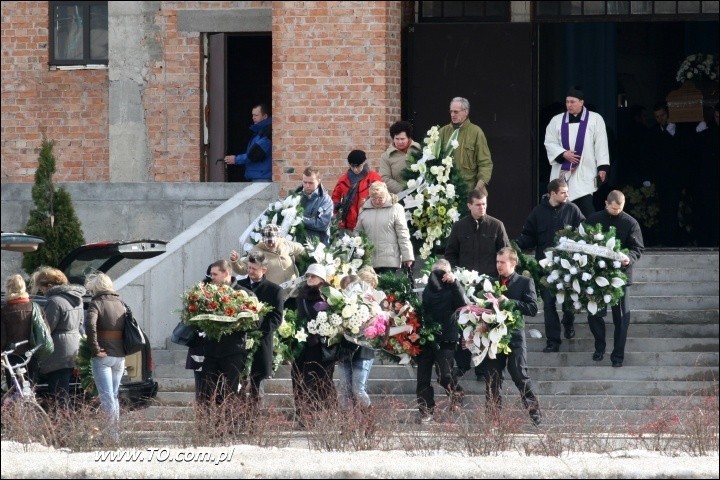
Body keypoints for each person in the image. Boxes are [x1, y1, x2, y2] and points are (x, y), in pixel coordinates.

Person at [445, 186, 509, 381]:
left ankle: (482, 368)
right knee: (463, 324)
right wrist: (456, 275)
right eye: (478, 205)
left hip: (487, 285)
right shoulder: (459, 227)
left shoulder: (496, 225)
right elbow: (450, 253)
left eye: (484, 204)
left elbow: (505, 252)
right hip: (463, 285)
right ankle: (463, 364)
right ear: (469, 206)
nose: (482, 208)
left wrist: (500, 277)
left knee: (484, 325)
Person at [515, 178, 585, 352]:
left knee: (569, 302)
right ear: (553, 193)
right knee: (549, 303)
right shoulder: (538, 212)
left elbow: (584, 232)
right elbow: (529, 235)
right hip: (546, 267)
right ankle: (553, 341)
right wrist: (514, 245)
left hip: (569, 267)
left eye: (567, 192)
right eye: (563, 192)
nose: (567, 195)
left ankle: (568, 324)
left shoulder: (573, 210)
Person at [585, 191, 644, 368]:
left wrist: (629, 258)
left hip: (621, 275)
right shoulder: (593, 219)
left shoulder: (630, 222)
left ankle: (618, 356)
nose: (617, 211)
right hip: (596, 274)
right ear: (606, 203)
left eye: (620, 208)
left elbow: (637, 248)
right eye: (613, 208)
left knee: (622, 317)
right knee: (594, 313)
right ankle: (600, 346)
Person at [484, 247, 542, 426]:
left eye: (502, 262)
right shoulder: (490, 282)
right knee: (492, 379)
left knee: (519, 375)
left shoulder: (525, 282)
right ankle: (493, 420)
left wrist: (510, 302)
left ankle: (534, 413)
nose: (498, 265)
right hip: (494, 338)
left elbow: (532, 308)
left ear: (513, 263)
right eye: (497, 262)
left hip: (514, 337)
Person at [544, 87, 610, 217]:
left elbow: (601, 144)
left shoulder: (595, 119)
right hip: (562, 171)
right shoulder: (556, 120)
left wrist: (602, 167)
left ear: (581, 102)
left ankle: (591, 236)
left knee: (586, 207)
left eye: (572, 102)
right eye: (567, 102)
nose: (569, 105)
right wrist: (563, 154)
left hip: (585, 170)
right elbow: (549, 142)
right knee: (560, 209)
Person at [416, 259, 467, 424]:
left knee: (445, 375)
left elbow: (462, 304)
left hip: (446, 338)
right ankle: (426, 411)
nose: (438, 276)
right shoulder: (428, 290)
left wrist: (454, 283)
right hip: (427, 338)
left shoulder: (453, 289)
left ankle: (456, 394)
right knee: (423, 378)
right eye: (435, 272)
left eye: (442, 272)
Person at [234, 252, 285, 408]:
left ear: (264, 270)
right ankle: (238, 420)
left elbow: (276, 318)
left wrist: (257, 332)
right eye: (249, 268)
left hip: (261, 343)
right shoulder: (238, 286)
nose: (250, 271)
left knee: (258, 387)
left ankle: (255, 423)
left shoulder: (275, 290)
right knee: (238, 386)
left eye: (254, 269)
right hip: (239, 343)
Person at [31, 267, 85, 409]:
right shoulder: (77, 299)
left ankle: (62, 427)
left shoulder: (54, 301)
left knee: (58, 393)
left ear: (48, 286)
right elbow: (80, 324)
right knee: (66, 391)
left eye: (41, 288)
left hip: (58, 352)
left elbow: (47, 329)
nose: (42, 291)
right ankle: (66, 425)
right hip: (75, 348)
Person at [289, 263, 337, 426]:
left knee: (323, 382)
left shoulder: (329, 296)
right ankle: (303, 416)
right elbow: (299, 318)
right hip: (305, 344)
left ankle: (329, 416)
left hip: (323, 346)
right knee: (299, 378)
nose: (309, 278)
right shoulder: (301, 296)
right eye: (308, 275)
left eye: (313, 276)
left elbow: (336, 319)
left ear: (322, 280)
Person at [186, 261, 236, 403]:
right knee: (203, 396)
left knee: (224, 396)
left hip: (226, 352)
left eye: (215, 274)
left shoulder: (237, 293)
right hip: (203, 351)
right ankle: (205, 425)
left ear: (225, 273)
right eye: (210, 275)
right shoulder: (200, 296)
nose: (212, 277)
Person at [84, 273, 126, 440]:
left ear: (96, 287)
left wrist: (94, 348)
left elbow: (89, 325)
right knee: (114, 396)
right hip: (120, 355)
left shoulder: (96, 303)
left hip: (103, 355)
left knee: (107, 396)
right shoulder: (120, 303)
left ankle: (112, 436)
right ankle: (115, 433)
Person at [336, 271, 381, 410]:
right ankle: (347, 426)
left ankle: (368, 421)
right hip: (344, 350)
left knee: (358, 389)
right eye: (346, 288)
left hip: (363, 351)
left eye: (353, 286)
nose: (350, 290)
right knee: (344, 390)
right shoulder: (338, 305)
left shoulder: (371, 304)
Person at [354, 181, 414, 275]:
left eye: (380, 198)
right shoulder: (364, 209)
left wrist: (408, 257)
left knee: (388, 289)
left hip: (389, 260)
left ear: (386, 195)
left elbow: (403, 234)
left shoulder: (396, 208)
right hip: (369, 261)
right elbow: (357, 233)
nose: (377, 201)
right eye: (374, 198)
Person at [647, 101, 684, 246]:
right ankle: (667, 240)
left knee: (674, 209)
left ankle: (674, 239)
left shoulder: (678, 130)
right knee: (664, 210)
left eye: (662, 115)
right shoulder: (654, 132)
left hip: (675, 178)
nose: (660, 119)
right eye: (657, 117)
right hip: (662, 179)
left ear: (668, 114)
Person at [438, 97, 493, 192]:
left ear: (466, 112)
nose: (452, 115)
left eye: (456, 112)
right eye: (451, 111)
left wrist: (478, 189)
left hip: (469, 190)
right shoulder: (443, 132)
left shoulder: (476, 132)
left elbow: (485, 164)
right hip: (446, 191)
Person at [1, 274, 47, 386]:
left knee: (14, 388)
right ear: (24, 288)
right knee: (30, 388)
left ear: (8, 289)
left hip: (12, 355)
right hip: (32, 354)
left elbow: (2, 338)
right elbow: (46, 331)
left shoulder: (4, 311)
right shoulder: (36, 307)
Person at [230, 223, 306, 287]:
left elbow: (304, 254)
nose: (269, 244)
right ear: (263, 239)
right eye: (267, 242)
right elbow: (244, 269)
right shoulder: (258, 250)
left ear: (278, 237)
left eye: (272, 241)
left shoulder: (287, 245)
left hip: (293, 292)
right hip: (274, 293)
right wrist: (235, 261)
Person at [331, 149, 383, 232]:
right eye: (352, 166)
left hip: (369, 223)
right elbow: (335, 197)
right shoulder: (343, 180)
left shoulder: (374, 178)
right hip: (347, 224)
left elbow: (382, 197)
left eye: (358, 166)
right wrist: (337, 207)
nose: (355, 169)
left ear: (364, 163)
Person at [223, 103, 272, 182]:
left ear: (265, 116)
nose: (253, 118)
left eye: (256, 115)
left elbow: (254, 154)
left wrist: (236, 159)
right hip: (258, 176)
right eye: (253, 115)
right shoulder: (259, 132)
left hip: (262, 177)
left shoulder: (267, 132)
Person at [294, 167, 334, 246]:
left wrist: (299, 220)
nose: (307, 185)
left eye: (311, 183)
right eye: (305, 182)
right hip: (297, 243)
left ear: (318, 182)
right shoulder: (296, 196)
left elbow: (322, 224)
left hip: (317, 246)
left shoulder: (325, 200)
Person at [379, 121, 422, 194]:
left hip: (420, 193)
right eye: (397, 139)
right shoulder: (386, 156)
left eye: (402, 139)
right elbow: (385, 178)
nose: (399, 142)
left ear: (409, 138)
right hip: (398, 196)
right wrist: (404, 191)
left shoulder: (419, 150)